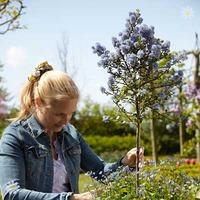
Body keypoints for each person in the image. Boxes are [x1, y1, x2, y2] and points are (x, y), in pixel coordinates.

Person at [0, 61, 144, 200]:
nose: (65, 121)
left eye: (70, 113)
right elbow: (12, 194)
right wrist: (71, 198)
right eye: (59, 114)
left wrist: (125, 162)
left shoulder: (71, 134)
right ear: (38, 102)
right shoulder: (15, 136)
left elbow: (100, 172)